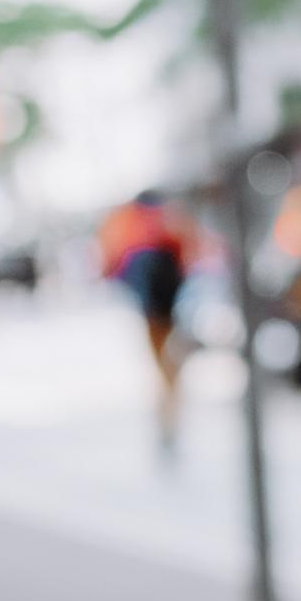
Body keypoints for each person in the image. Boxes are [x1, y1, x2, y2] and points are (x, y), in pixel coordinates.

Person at [97, 187, 197, 450]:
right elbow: (190, 255)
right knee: (168, 367)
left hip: (154, 308)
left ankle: (167, 412)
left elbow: (110, 265)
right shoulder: (169, 223)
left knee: (163, 366)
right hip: (170, 306)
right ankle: (168, 411)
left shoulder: (129, 227)